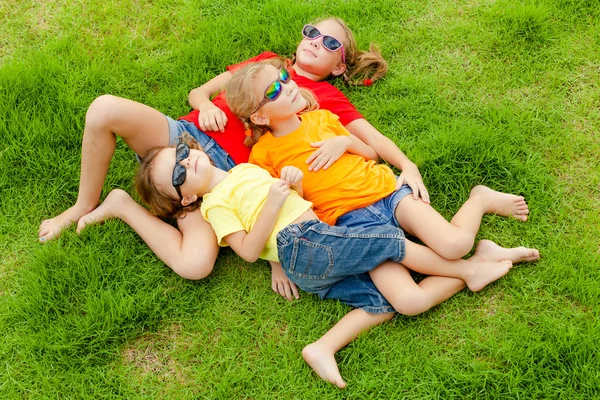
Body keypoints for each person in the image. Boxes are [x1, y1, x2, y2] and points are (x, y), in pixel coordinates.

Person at [38, 18, 430, 297]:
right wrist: (204, 103)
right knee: (104, 108)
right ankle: (82, 205)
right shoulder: (267, 64)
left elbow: (369, 138)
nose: (316, 42)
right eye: (313, 32)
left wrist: (407, 165)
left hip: (230, 182)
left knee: (195, 266)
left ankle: (122, 205)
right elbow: (199, 92)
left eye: (330, 43)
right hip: (188, 142)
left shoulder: (325, 100)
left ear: (340, 65)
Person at [110, 138, 538, 388]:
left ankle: (323, 346)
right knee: (388, 242)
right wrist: (275, 206)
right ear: (185, 198)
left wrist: (289, 185)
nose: (189, 162)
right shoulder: (213, 206)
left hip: (314, 247)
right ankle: (468, 269)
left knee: (397, 302)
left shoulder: (243, 169)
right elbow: (245, 247)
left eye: (182, 153)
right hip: (304, 243)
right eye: (180, 174)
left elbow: (282, 214)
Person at [225, 62, 531, 263]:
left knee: (454, 246)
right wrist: (278, 263)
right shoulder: (262, 156)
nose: (289, 86)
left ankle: (479, 198)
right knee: (406, 280)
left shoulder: (321, 119)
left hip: (385, 190)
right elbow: (285, 210)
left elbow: (371, 154)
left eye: (284, 78)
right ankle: (483, 258)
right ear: (259, 116)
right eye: (275, 90)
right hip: (347, 221)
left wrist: (344, 142)